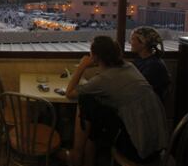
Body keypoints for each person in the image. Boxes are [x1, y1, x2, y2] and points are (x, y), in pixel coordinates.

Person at [64, 36, 168, 166]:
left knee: (86, 102)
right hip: (158, 139)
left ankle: (77, 154)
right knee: (91, 106)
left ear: (95, 57)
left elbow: (69, 93)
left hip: (139, 146)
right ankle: (82, 155)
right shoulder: (128, 66)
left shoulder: (104, 79)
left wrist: (81, 66)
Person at [130, 26, 170, 100]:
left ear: (143, 43)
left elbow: (139, 89)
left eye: (133, 39)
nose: (130, 42)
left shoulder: (154, 66)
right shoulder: (140, 60)